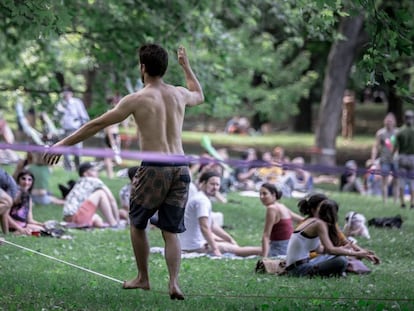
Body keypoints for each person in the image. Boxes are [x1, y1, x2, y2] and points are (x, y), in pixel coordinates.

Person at [43, 44, 204, 300]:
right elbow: (199, 94)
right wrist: (186, 65)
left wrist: (62, 143)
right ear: (164, 68)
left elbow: (97, 124)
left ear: (143, 68)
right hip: (181, 168)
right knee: (170, 230)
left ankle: (143, 278)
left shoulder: (137, 99)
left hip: (155, 168)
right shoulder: (179, 94)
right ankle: (174, 283)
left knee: (137, 223)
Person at [286, 199, 378, 277]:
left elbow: (319, 249)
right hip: (298, 270)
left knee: (340, 255)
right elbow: (330, 249)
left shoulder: (312, 221)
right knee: (341, 261)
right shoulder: (319, 224)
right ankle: (339, 273)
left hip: (297, 266)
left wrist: (342, 250)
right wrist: (354, 253)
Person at [179, 171, 262, 257]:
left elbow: (213, 225)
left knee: (228, 244)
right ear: (203, 183)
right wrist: (215, 249)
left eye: (217, 185)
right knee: (238, 250)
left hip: (191, 244)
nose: (215, 187)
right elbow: (204, 227)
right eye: (212, 184)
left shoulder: (202, 198)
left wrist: (230, 239)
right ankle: (267, 250)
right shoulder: (202, 201)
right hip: (195, 246)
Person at [62, 162, 120, 228]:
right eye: (93, 170)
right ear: (85, 173)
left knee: (98, 220)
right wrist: (117, 220)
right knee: (100, 193)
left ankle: (89, 222)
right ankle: (113, 224)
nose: (97, 172)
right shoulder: (94, 180)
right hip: (77, 217)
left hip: (68, 219)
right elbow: (111, 199)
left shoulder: (79, 182)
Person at [259, 183, 303, 257]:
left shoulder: (271, 208)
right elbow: (302, 220)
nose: (261, 197)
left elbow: (266, 235)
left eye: (264, 194)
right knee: (254, 250)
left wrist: (264, 258)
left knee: (241, 251)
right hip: (290, 246)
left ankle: (233, 249)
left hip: (280, 249)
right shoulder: (281, 206)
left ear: (273, 195)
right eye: (260, 194)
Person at [54, 86, 90, 171]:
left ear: (71, 93)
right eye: (64, 92)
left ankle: (79, 168)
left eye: (67, 92)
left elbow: (84, 117)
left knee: (77, 150)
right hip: (64, 130)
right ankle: (67, 169)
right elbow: (56, 118)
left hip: (75, 130)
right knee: (65, 151)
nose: (65, 94)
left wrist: (83, 129)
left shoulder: (77, 103)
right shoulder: (60, 104)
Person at [371, 112, 398, 203]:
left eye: (391, 121)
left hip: (395, 160)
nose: (389, 122)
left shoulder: (398, 133)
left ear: (394, 122)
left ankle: (395, 201)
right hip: (384, 160)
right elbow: (375, 147)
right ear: (384, 121)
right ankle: (385, 201)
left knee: (396, 181)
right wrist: (373, 159)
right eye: (387, 120)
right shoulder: (380, 133)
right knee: (384, 181)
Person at [8, 170, 45, 235]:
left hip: (24, 226)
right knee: (39, 232)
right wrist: (20, 229)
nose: (26, 182)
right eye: (23, 179)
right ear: (18, 180)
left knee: (44, 230)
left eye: (29, 180)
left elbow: (29, 220)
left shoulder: (28, 198)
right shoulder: (14, 194)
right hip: (12, 227)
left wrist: (42, 224)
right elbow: (5, 216)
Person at [393, 110, 414, 209]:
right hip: (412, 158)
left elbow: (395, 147)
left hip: (402, 157)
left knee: (401, 180)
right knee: (412, 181)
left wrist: (393, 156)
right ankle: (412, 203)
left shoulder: (400, 131)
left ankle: (402, 203)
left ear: (404, 119)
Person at [103, 95, 123, 179]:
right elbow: (108, 128)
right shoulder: (110, 113)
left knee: (110, 157)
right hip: (111, 136)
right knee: (109, 157)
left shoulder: (116, 112)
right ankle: (110, 175)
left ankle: (110, 175)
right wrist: (112, 140)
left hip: (115, 136)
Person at [0, 168, 19, 234]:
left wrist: (6, 233)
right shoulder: (13, 190)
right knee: (8, 202)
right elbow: (5, 215)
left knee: (6, 203)